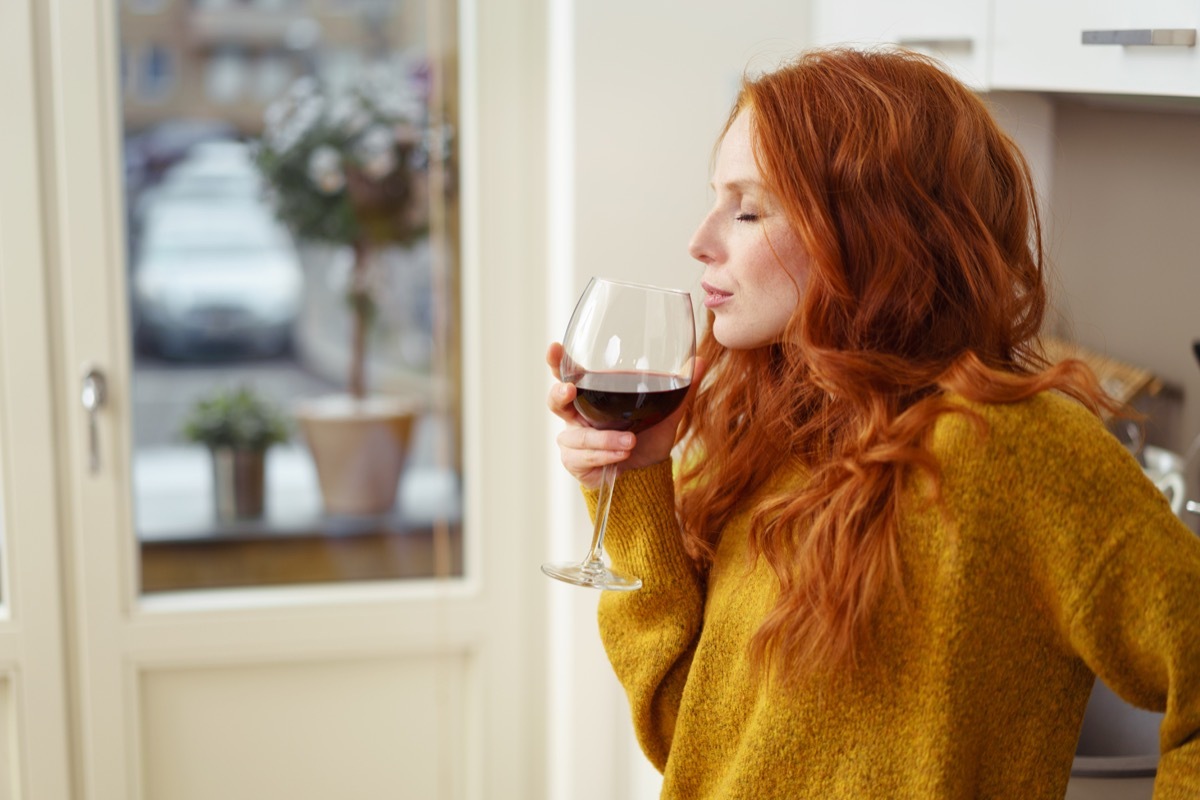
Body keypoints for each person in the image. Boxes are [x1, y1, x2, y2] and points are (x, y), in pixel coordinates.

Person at [546, 46, 1200, 799]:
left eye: (748, 209)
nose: (700, 240)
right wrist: (635, 480)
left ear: (869, 230)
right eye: (716, 200)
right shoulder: (768, 446)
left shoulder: (1013, 450)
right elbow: (687, 741)